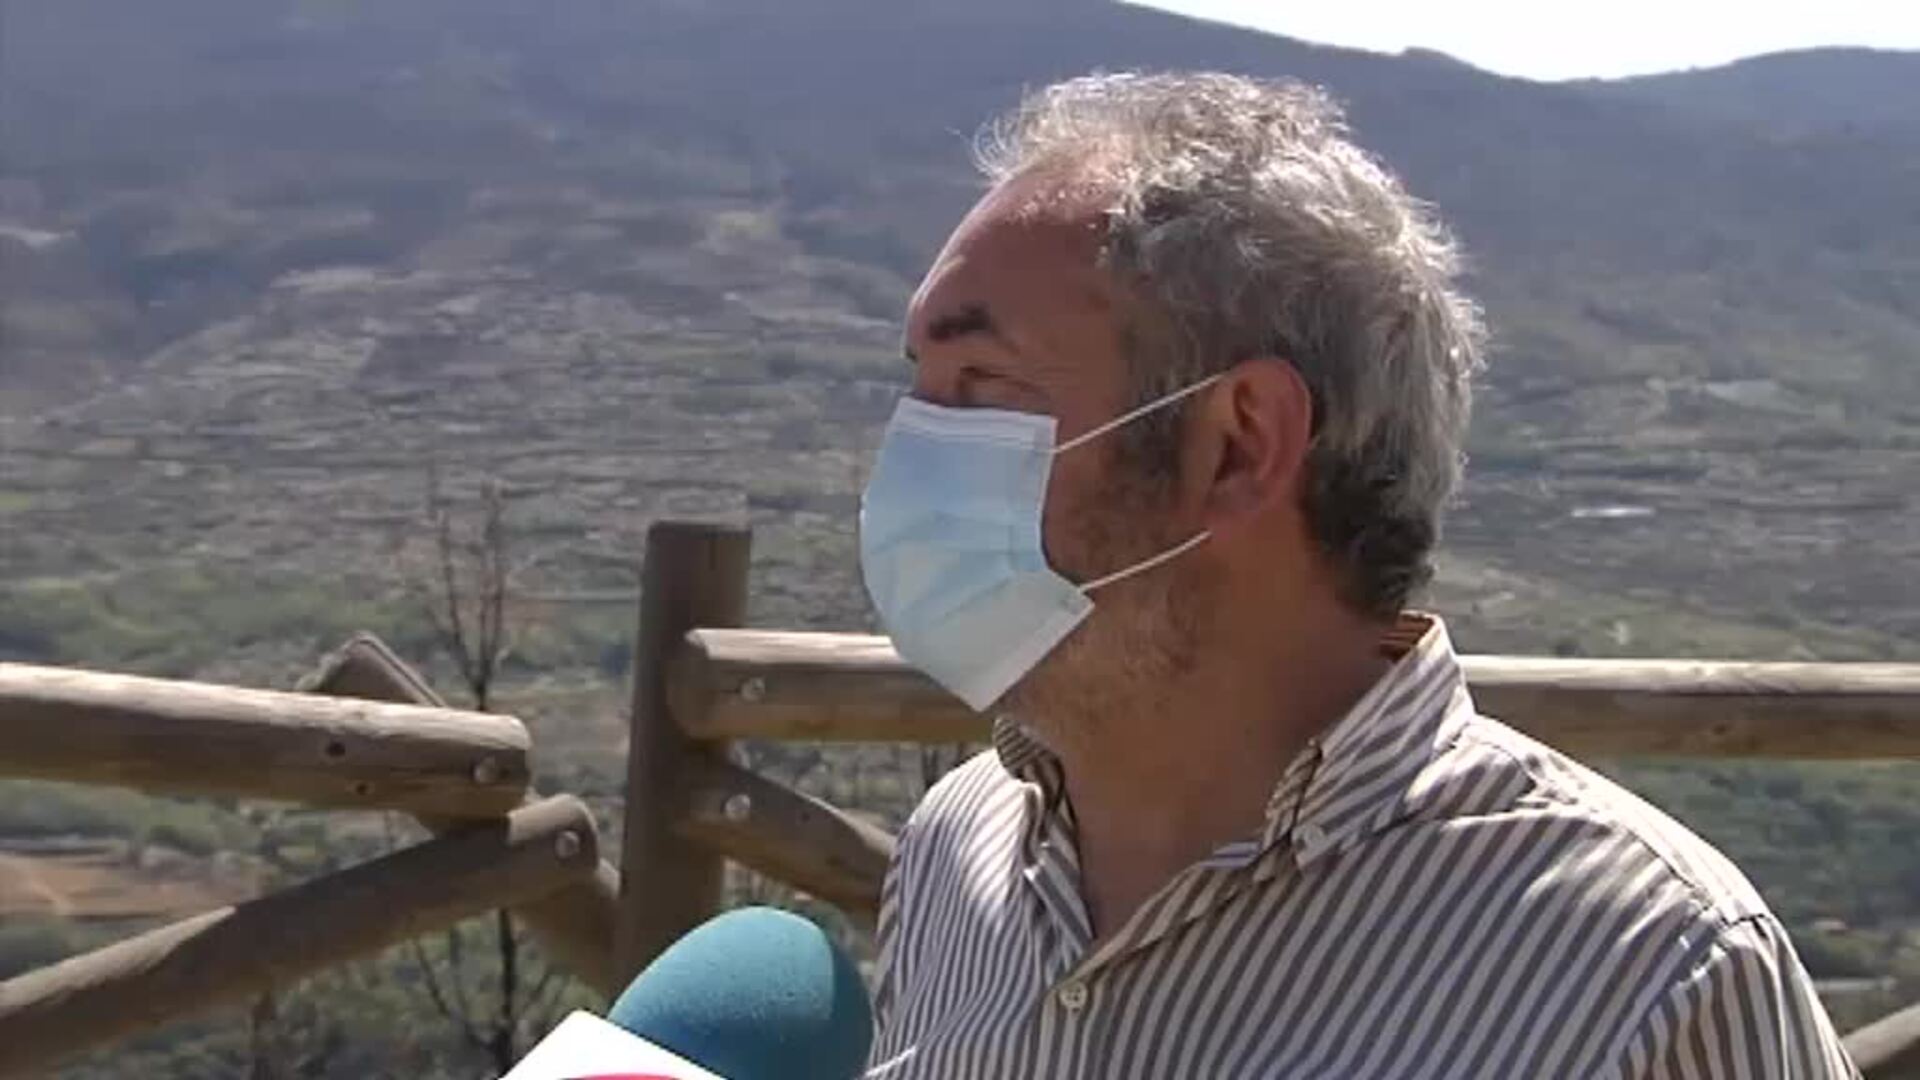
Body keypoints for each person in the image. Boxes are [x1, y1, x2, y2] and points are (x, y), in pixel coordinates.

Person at [854, 72, 1859, 1079]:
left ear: (1240, 446)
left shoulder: (1648, 974)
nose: (911, 447)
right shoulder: (956, 850)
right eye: (921, 387)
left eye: (981, 383)